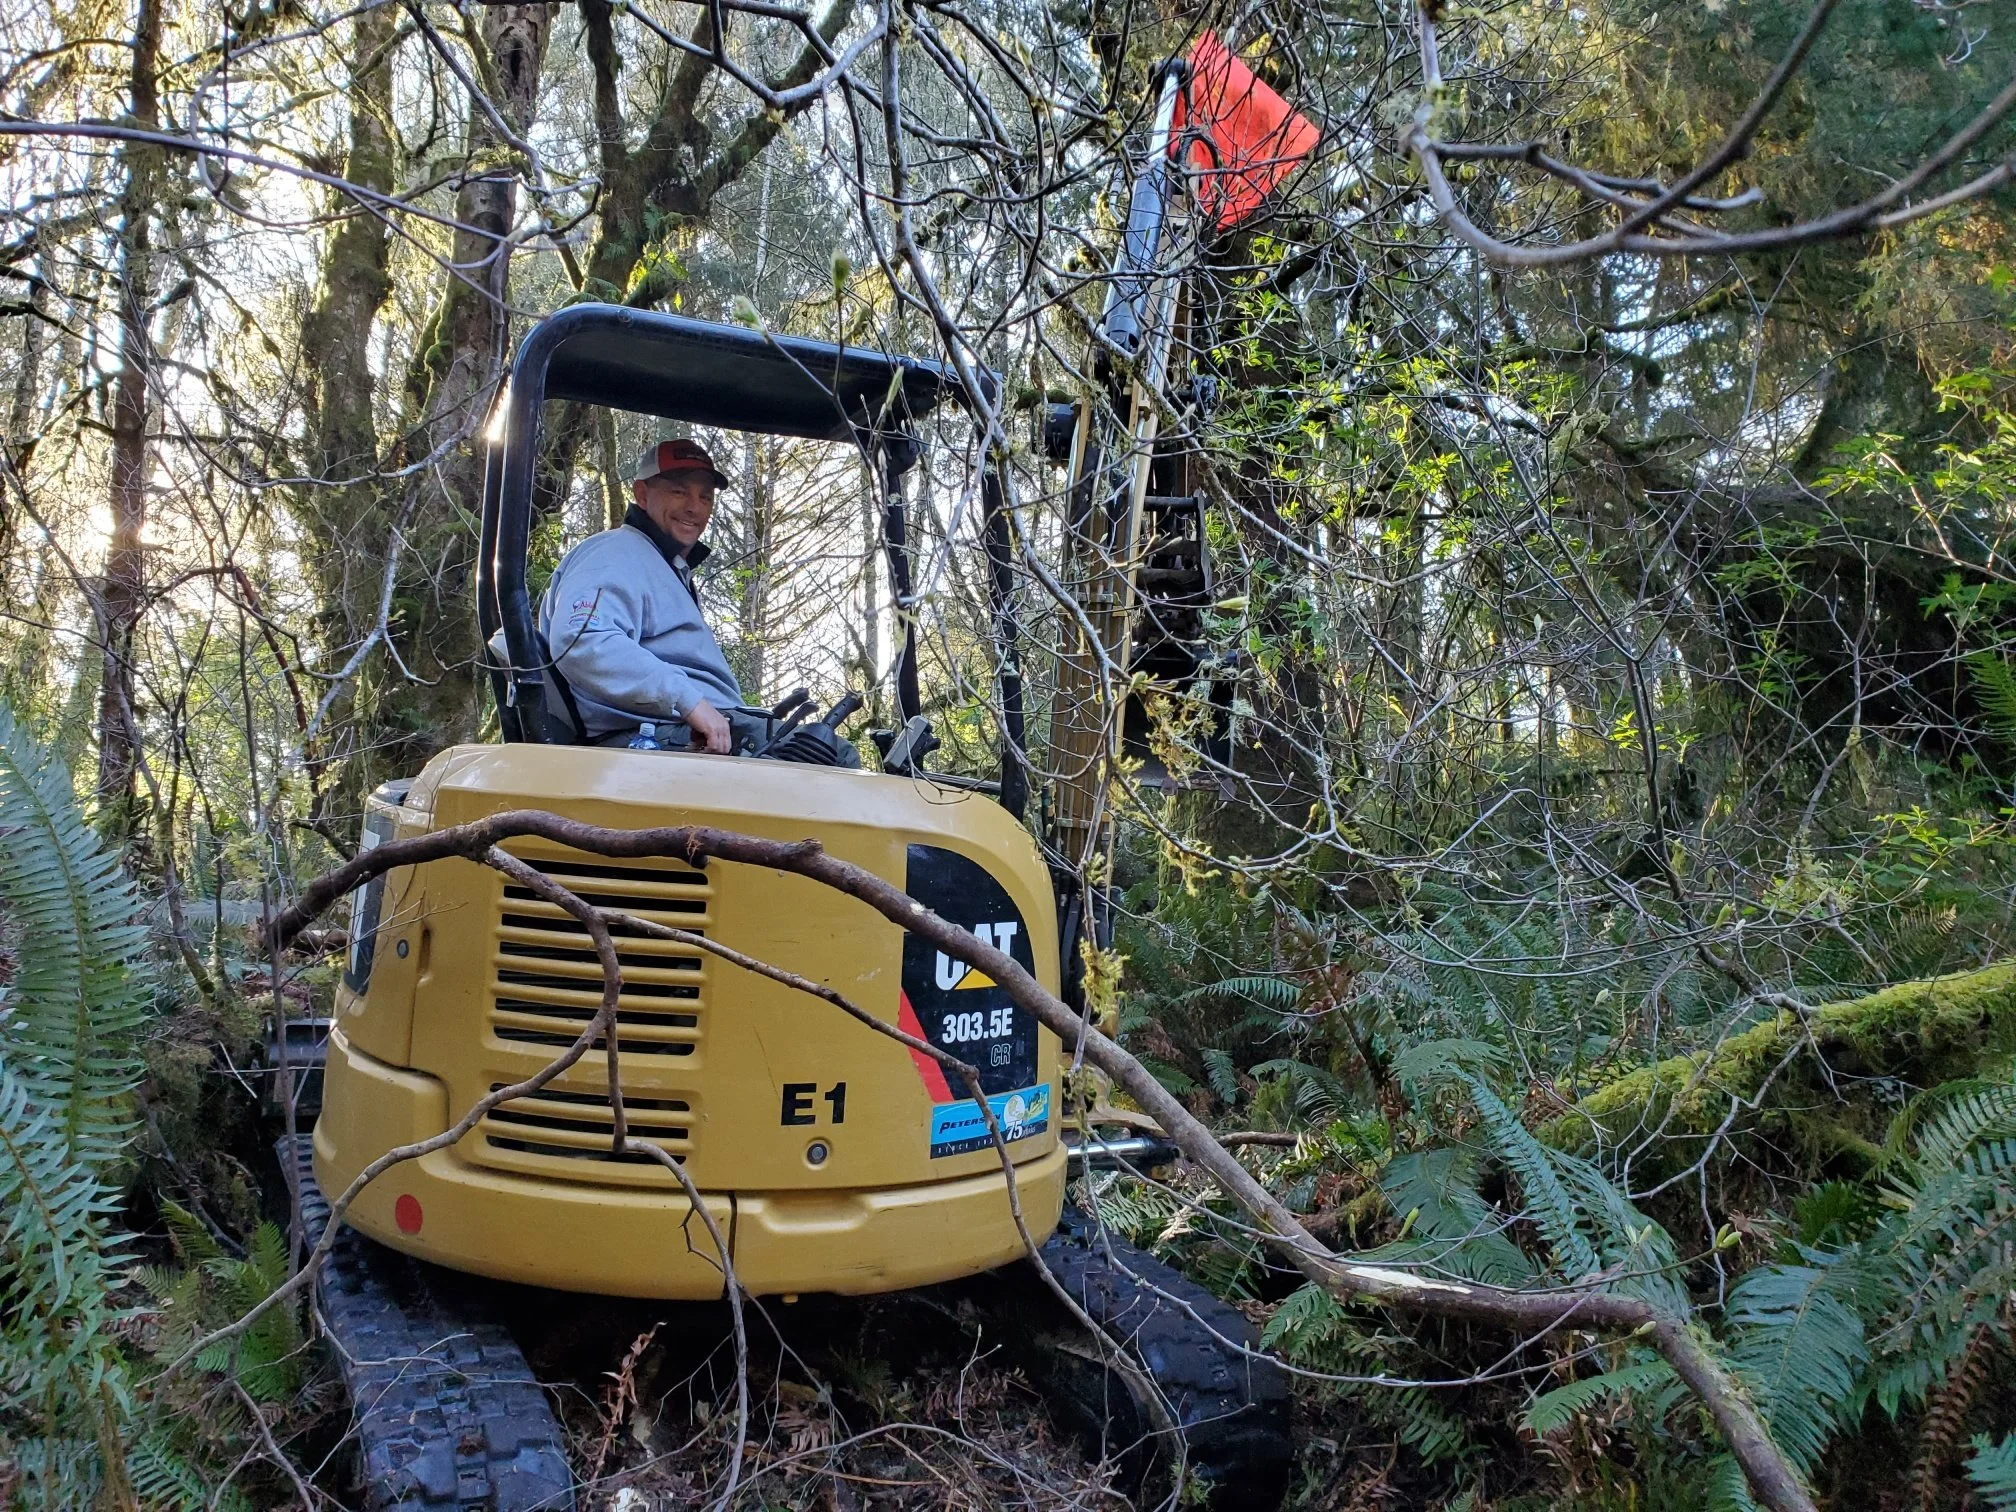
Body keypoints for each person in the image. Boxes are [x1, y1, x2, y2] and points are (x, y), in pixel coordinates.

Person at [538, 438, 743, 751]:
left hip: (685, 729)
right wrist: (689, 701)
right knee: (827, 759)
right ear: (642, 494)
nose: (694, 507)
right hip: (652, 736)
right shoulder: (614, 554)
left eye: (705, 497)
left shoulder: (661, 565)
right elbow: (581, 639)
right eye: (679, 491)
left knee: (814, 747)